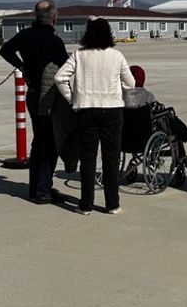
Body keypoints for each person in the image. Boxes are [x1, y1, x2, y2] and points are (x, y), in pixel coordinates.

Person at [54, 18, 135, 215]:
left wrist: (72, 97)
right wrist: (118, 91)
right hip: (112, 111)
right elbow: (130, 83)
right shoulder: (116, 55)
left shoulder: (79, 55)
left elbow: (59, 77)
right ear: (108, 33)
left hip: (86, 110)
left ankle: (86, 204)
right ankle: (112, 203)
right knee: (111, 158)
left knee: (88, 158)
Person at [0, 0, 69, 204]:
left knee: (39, 140)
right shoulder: (54, 41)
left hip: (32, 93)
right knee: (50, 142)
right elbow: (66, 66)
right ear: (54, 17)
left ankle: (38, 187)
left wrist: (23, 68)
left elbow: (5, 51)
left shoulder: (25, 35)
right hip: (48, 97)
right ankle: (42, 189)